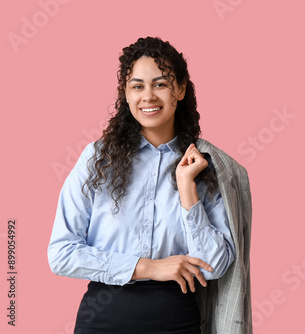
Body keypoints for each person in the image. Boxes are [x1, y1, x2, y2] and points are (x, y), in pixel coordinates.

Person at [47, 36, 253, 334]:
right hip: (103, 318)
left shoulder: (207, 167)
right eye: (137, 86)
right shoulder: (97, 159)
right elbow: (62, 254)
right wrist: (149, 267)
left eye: (160, 84)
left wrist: (187, 190)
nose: (148, 97)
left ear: (180, 89)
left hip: (176, 319)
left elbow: (216, 266)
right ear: (126, 95)